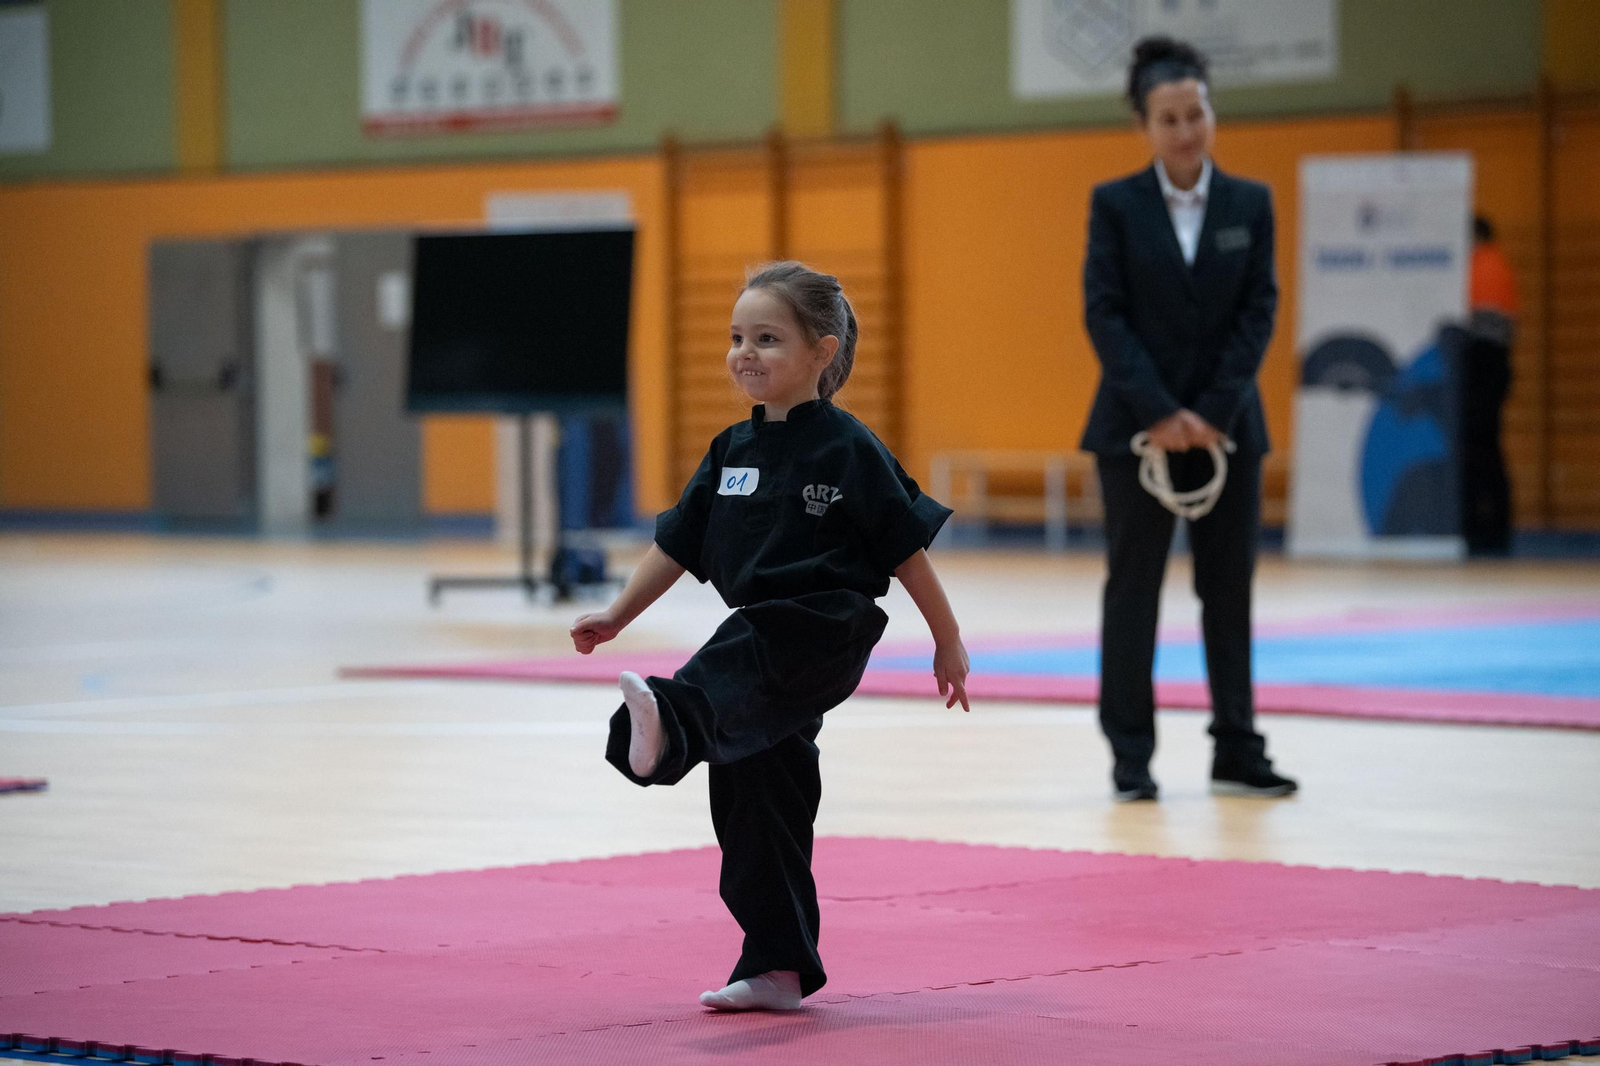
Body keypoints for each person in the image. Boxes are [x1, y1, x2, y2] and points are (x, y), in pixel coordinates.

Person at [570, 261, 970, 1011]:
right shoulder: (731, 452)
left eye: (767, 339)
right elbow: (678, 546)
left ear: (822, 354)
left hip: (824, 628)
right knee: (758, 792)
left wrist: (947, 641)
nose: (744, 353)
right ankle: (778, 965)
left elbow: (907, 551)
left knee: (740, 654)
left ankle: (670, 722)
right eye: (736, 338)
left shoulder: (849, 448)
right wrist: (618, 614)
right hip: (759, 644)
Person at [1079, 36, 1296, 803]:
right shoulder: (1115, 204)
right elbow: (1103, 314)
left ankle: (1237, 747)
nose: (1184, 129)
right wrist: (1161, 413)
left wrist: (1207, 413)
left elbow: (1258, 312)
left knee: (1229, 588)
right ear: (1145, 123)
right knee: (1133, 590)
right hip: (1133, 431)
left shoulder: (1250, 203)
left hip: (1229, 429)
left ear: (1211, 111)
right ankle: (1130, 756)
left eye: (1195, 113)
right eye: (1168, 117)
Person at [1461, 214, 1519, 556]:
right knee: (1486, 448)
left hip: (1484, 364)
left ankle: (1487, 529)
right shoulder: (1496, 264)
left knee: (1480, 449)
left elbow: (1480, 326)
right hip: (1493, 364)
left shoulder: (1483, 265)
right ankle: (1492, 528)